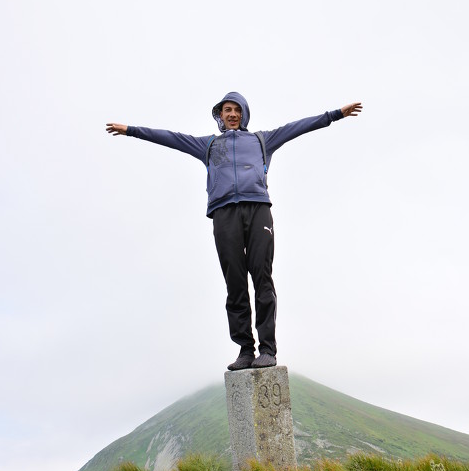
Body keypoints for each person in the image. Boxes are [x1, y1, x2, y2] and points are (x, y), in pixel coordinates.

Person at [106, 92, 362, 370]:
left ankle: (268, 349)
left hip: (258, 208)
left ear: (244, 114)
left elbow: (298, 127)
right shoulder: (208, 145)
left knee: (262, 277)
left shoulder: (263, 140)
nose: (231, 114)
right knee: (235, 283)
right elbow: (170, 137)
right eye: (226, 110)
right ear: (219, 115)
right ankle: (245, 350)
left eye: (236, 110)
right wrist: (131, 131)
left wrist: (335, 114)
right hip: (223, 212)